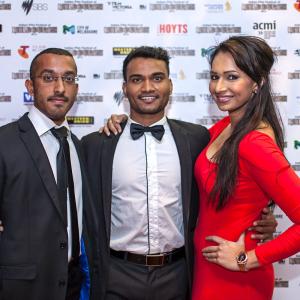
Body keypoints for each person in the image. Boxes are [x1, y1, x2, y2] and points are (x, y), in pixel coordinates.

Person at [82, 46, 276, 299]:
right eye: (137, 79)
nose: (148, 88)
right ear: (125, 88)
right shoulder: (96, 145)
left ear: (170, 85)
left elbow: (237, 181)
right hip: (116, 274)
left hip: (179, 275)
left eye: (157, 78)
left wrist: (261, 219)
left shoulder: (198, 139)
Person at [192, 35, 300, 300]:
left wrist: (247, 259)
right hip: (207, 271)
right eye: (214, 76)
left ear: (258, 82)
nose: (218, 87)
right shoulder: (223, 129)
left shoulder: (255, 144)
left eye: (231, 77)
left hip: (235, 280)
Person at [0, 48, 100, 300]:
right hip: (20, 288)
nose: (60, 88)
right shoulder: (4, 142)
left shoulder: (77, 145)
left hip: (73, 285)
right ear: (30, 86)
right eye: (48, 78)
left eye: (68, 79)